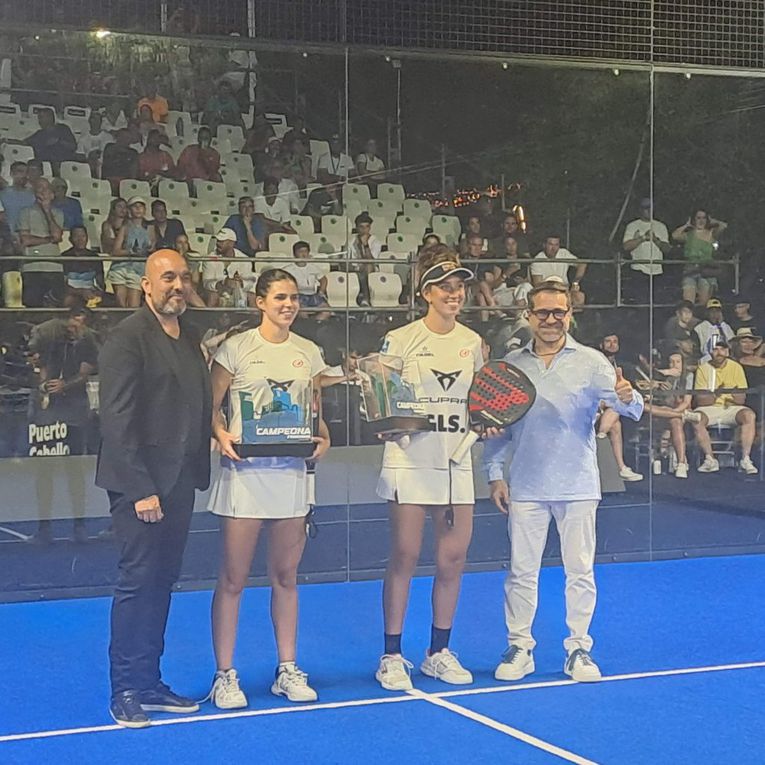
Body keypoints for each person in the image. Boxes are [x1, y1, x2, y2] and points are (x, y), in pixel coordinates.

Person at [483, 279, 643, 684]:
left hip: (578, 486)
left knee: (580, 571)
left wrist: (625, 393)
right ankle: (520, 647)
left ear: (570, 315)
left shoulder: (592, 362)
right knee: (521, 571)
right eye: (543, 312)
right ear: (529, 316)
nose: (551, 319)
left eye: (559, 312)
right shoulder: (512, 365)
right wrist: (494, 474)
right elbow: (500, 429)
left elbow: (633, 408)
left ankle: (579, 649)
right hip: (526, 486)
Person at [96, 249, 211, 728]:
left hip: (180, 482)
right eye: (167, 278)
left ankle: (149, 681)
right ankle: (124, 688)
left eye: (183, 277)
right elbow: (117, 421)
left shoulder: (188, 339)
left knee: (163, 583)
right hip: (139, 486)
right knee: (137, 583)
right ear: (146, 285)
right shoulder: (126, 339)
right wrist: (142, 488)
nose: (177, 285)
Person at [206, 268, 330, 708]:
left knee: (286, 576)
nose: (288, 305)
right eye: (279, 297)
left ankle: (287, 668)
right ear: (260, 301)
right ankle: (224, 675)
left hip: (290, 476)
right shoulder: (235, 349)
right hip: (244, 477)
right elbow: (212, 408)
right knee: (234, 578)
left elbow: (313, 413)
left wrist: (325, 436)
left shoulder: (308, 352)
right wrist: (220, 435)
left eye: (294, 298)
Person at [375, 245, 483, 692]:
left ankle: (438, 652)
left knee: (452, 560)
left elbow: (481, 402)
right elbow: (379, 399)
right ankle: (392, 655)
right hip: (410, 460)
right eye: (444, 287)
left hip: (457, 460)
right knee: (404, 555)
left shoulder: (472, 342)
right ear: (425, 293)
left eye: (458, 287)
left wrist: (483, 427)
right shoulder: (400, 340)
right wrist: (386, 423)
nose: (453, 294)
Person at [27, 306, 97, 545]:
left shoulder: (88, 339)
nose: (75, 328)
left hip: (75, 412)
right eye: (72, 323)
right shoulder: (48, 335)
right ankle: (44, 527)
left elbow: (85, 373)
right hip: (48, 415)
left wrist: (65, 384)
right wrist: (44, 385)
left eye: (79, 324)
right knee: (44, 472)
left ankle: (79, 526)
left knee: (75, 470)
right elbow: (39, 367)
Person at [691, 338, 757, 475]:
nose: (719, 352)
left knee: (749, 415)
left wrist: (718, 393)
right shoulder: (703, 369)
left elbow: (741, 399)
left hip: (731, 408)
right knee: (696, 418)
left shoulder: (736, 367)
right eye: (715, 349)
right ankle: (710, 459)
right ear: (710, 352)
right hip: (709, 409)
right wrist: (721, 392)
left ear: (727, 351)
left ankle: (746, 458)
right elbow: (702, 401)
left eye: (722, 349)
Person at [595, 333, 643, 481]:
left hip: (615, 408)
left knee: (616, 418)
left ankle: (601, 436)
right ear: (601, 345)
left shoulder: (624, 367)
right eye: (608, 341)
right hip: (595, 408)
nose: (612, 344)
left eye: (615, 341)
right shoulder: (594, 364)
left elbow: (630, 391)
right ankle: (621, 467)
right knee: (615, 423)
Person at [18, 179, 66, 307]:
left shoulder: (58, 213)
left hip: (54, 267)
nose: (43, 192)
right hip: (32, 267)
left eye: (46, 189)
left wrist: (47, 210)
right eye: (40, 188)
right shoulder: (25, 212)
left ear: (52, 194)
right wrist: (48, 240)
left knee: (55, 305)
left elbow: (56, 235)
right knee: (33, 307)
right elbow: (25, 240)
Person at [672, 209, 727, 305]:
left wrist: (713, 221)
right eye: (698, 218)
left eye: (704, 218)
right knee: (688, 302)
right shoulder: (689, 235)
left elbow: (723, 226)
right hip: (690, 270)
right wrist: (686, 225)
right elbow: (675, 236)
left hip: (706, 270)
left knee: (704, 303)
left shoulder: (711, 233)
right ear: (694, 219)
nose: (701, 221)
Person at [622, 198, 671, 302]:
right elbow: (626, 246)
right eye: (646, 208)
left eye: (651, 208)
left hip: (657, 270)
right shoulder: (632, 226)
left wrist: (655, 240)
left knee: (657, 303)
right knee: (641, 303)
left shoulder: (661, 226)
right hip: (639, 269)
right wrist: (643, 238)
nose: (649, 210)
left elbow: (667, 249)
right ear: (640, 209)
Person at [111, 196, 155, 308]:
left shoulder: (150, 228)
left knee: (133, 307)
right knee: (121, 306)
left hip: (138, 270)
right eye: (135, 206)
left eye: (141, 206)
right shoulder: (124, 227)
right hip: (120, 268)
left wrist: (147, 250)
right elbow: (115, 251)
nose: (138, 209)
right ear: (130, 210)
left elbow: (153, 249)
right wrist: (130, 252)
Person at [201, 227, 257, 308]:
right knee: (212, 296)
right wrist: (223, 283)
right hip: (219, 292)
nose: (218, 243)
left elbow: (250, 282)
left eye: (222, 241)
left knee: (252, 297)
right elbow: (206, 283)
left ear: (231, 243)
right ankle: (210, 320)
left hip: (238, 293)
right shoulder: (209, 258)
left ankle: (254, 320)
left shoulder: (244, 258)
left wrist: (240, 283)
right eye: (218, 241)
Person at [530, 235, 587, 307]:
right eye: (550, 244)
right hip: (547, 292)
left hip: (565, 291)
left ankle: (571, 317)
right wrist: (555, 287)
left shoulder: (564, 253)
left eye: (556, 245)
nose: (553, 248)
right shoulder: (537, 260)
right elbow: (537, 284)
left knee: (579, 297)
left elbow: (582, 264)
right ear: (544, 245)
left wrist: (575, 283)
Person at [60, 225, 106, 305]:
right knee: (68, 300)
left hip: (90, 292)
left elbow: (100, 283)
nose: (80, 240)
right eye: (76, 236)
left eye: (83, 236)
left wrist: (97, 292)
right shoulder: (65, 257)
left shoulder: (94, 257)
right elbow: (63, 286)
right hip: (72, 293)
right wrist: (80, 292)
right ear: (70, 239)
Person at [283, 240, 330, 319]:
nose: (303, 254)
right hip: (298, 296)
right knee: (302, 312)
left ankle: (314, 324)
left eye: (306, 251)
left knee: (327, 311)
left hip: (313, 295)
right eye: (300, 251)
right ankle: (307, 327)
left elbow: (323, 279)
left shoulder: (313, 267)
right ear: (295, 254)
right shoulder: (288, 269)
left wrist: (321, 292)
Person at [348, 212, 383, 306]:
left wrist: (365, 245)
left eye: (367, 227)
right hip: (354, 270)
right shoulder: (351, 241)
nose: (364, 230)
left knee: (368, 266)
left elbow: (371, 260)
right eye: (361, 227)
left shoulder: (375, 241)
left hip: (370, 270)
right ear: (357, 228)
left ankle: (366, 298)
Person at [732, 328, 765, 411]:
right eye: (744, 342)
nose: (748, 345)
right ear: (737, 344)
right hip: (749, 398)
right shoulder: (735, 364)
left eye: (751, 342)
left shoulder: (762, 361)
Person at [0, 161, 35, 236]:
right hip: (6, 237)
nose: (24, 175)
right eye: (20, 171)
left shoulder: (34, 196)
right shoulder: (2, 195)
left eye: (26, 172)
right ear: (11, 173)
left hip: (28, 237)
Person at [102, 129, 140, 195]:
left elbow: (134, 170)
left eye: (127, 137)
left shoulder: (133, 153)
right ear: (117, 137)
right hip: (110, 179)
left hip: (125, 182)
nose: (124, 139)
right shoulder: (109, 147)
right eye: (122, 136)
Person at [77, 111, 114, 177]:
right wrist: (90, 157)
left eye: (97, 120)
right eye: (93, 119)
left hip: (105, 167)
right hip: (88, 167)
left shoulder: (108, 137)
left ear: (100, 122)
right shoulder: (83, 138)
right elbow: (80, 157)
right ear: (89, 121)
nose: (95, 122)